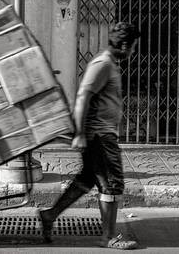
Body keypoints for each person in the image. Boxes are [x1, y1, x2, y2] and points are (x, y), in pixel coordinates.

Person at [39, 21, 140, 250]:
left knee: (86, 180)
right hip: (100, 136)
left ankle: (50, 215)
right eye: (133, 47)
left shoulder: (110, 64)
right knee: (112, 184)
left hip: (101, 134)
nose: (133, 51)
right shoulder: (103, 64)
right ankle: (108, 237)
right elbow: (84, 96)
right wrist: (81, 133)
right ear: (124, 45)